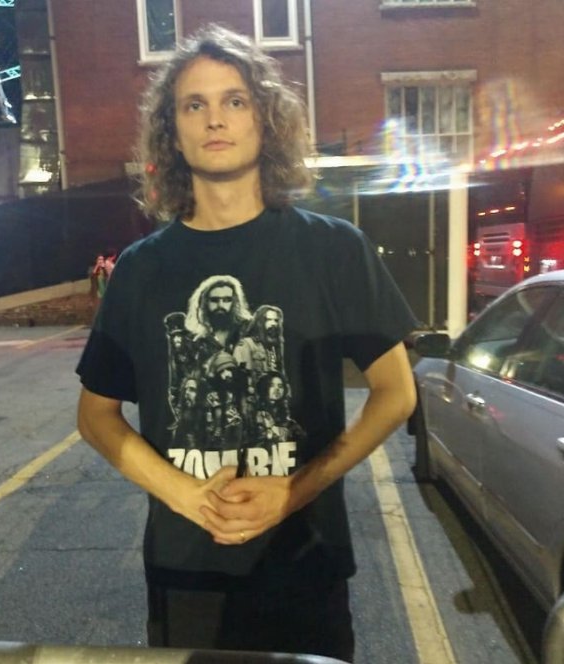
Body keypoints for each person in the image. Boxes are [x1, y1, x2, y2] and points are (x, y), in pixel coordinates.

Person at [76, 23, 417, 662]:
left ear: (265, 118)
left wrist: (295, 489)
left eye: (234, 100)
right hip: (186, 573)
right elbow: (96, 415)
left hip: (305, 560)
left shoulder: (334, 250)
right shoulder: (141, 271)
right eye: (193, 104)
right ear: (172, 132)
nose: (215, 118)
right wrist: (184, 494)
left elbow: (395, 394)